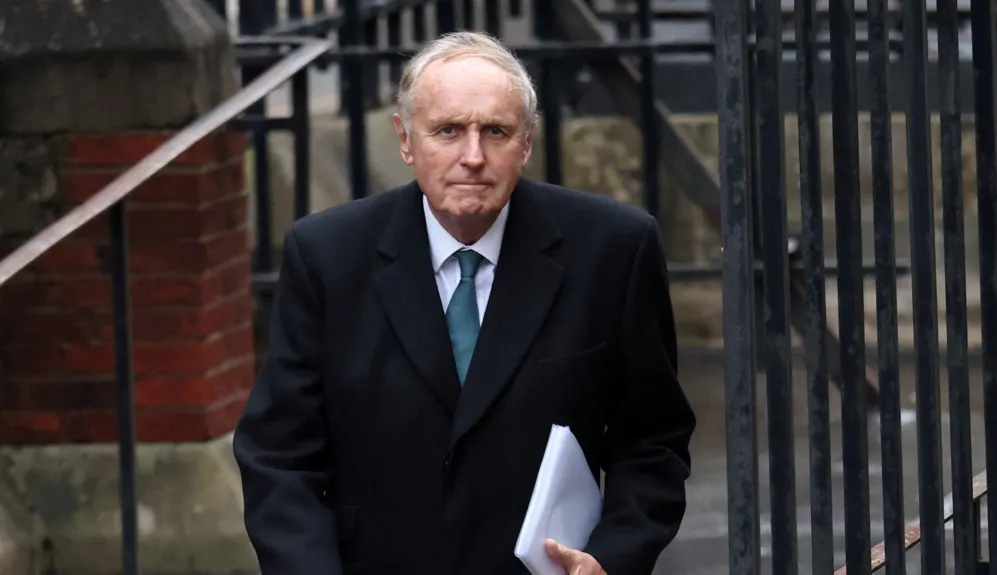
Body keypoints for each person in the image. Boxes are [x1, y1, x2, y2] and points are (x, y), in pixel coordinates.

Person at [233, 31, 696, 575]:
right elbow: (280, 458)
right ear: (406, 140)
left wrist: (609, 558)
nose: (472, 156)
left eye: (495, 132)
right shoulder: (328, 257)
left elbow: (653, 442)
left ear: (525, 144)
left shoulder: (612, 250)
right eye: (448, 131)